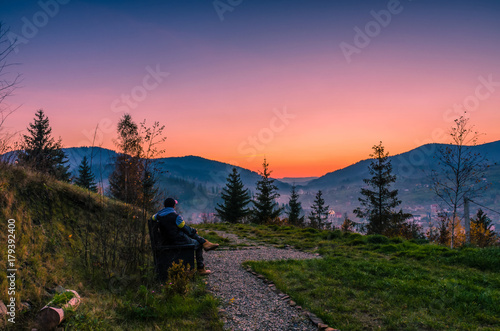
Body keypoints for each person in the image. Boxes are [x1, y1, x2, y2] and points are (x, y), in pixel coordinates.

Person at [152, 198, 219, 275]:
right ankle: (201, 268)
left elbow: (152, 217)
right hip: (177, 241)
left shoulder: (158, 215)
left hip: (165, 240)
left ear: (164, 205)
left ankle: (205, 242)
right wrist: (193, 231)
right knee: (197, 243)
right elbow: (184, 228)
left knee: (190, 233)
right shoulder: (176, 216)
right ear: (174, 206)